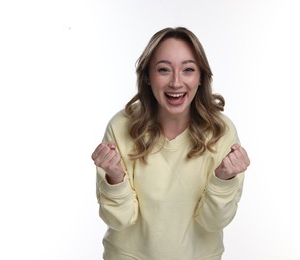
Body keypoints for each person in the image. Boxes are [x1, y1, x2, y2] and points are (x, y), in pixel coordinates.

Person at [91, 27, 250, 260]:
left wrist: (223, 180)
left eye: (188, 70)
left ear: (200, 77)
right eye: (164, 69)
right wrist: (115, 178)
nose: (176, 82)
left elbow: (214, 222)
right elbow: (119, 220)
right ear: (147, 76)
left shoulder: (221, 132)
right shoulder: (121, 126)